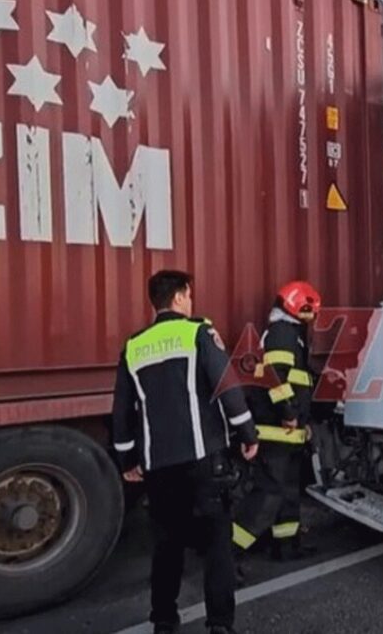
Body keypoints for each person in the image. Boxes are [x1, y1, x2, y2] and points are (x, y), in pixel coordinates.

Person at [112, 270, 258, 634]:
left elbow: (122, 411)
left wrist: (127, 460)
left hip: (159, 466)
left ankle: (164, 620)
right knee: (216, 546)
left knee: (166, 545)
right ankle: (220, 625)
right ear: (179, 297)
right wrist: (247, 433)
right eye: (188, 295)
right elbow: (228, 389)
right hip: (205, 461)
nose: (191, 301)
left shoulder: (133, 346)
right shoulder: (197, 334)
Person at [232, 281, 322, 564]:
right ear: (301, 307)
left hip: (288, 435)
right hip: (276, 433)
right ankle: (228, 557)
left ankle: (286, 546)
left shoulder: (290, 334)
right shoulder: (283, 334)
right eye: (311, 310)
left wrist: (302, 421)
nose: (313, 316)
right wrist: (290, 413)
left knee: (286, 495)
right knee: (267, 499)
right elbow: (275, 377)